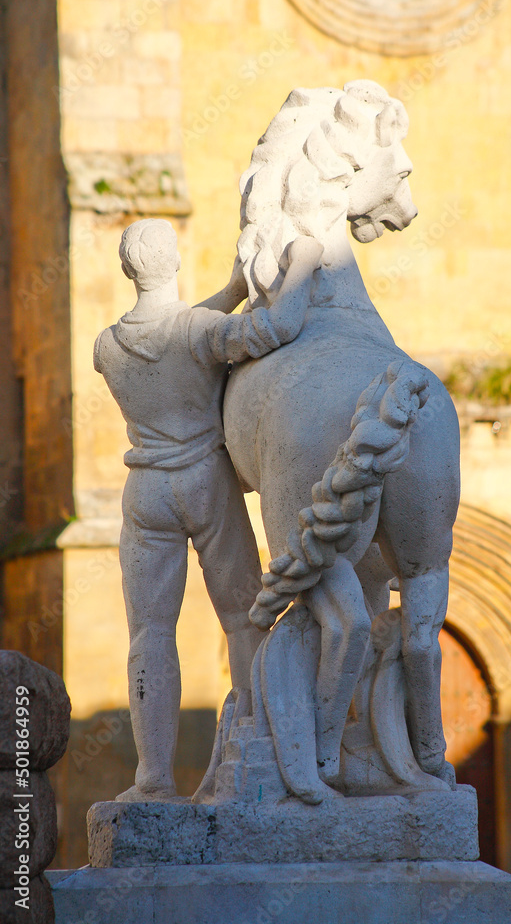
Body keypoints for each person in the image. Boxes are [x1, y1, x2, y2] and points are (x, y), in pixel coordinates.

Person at [94, 217, 322, 800]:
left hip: (146, 492)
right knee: (243, 616)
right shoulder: (199, 332)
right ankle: (257, 746)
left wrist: (230, 290)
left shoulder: (107, 346)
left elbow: (173, 335)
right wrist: (303, 260)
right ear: (173, 262)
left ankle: (152, 779)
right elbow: (276, 328)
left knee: (149, 633)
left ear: (127, 270)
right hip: (205, 482)